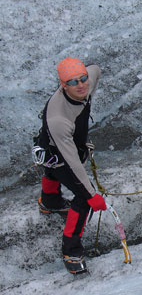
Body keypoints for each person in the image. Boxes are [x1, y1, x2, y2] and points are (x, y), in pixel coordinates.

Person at [37, 57, 107, 274]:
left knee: (54, 173)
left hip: (58, 141)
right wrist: (91, 195)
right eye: (73, 82)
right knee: (83, 198)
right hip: (58, 151)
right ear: (63, 84)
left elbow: (96, 68)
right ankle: (71, 251)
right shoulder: (59, 119)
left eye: (83, 78)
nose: (81, 85)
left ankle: (50, 201)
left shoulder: (89, 78)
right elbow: (73, 165)